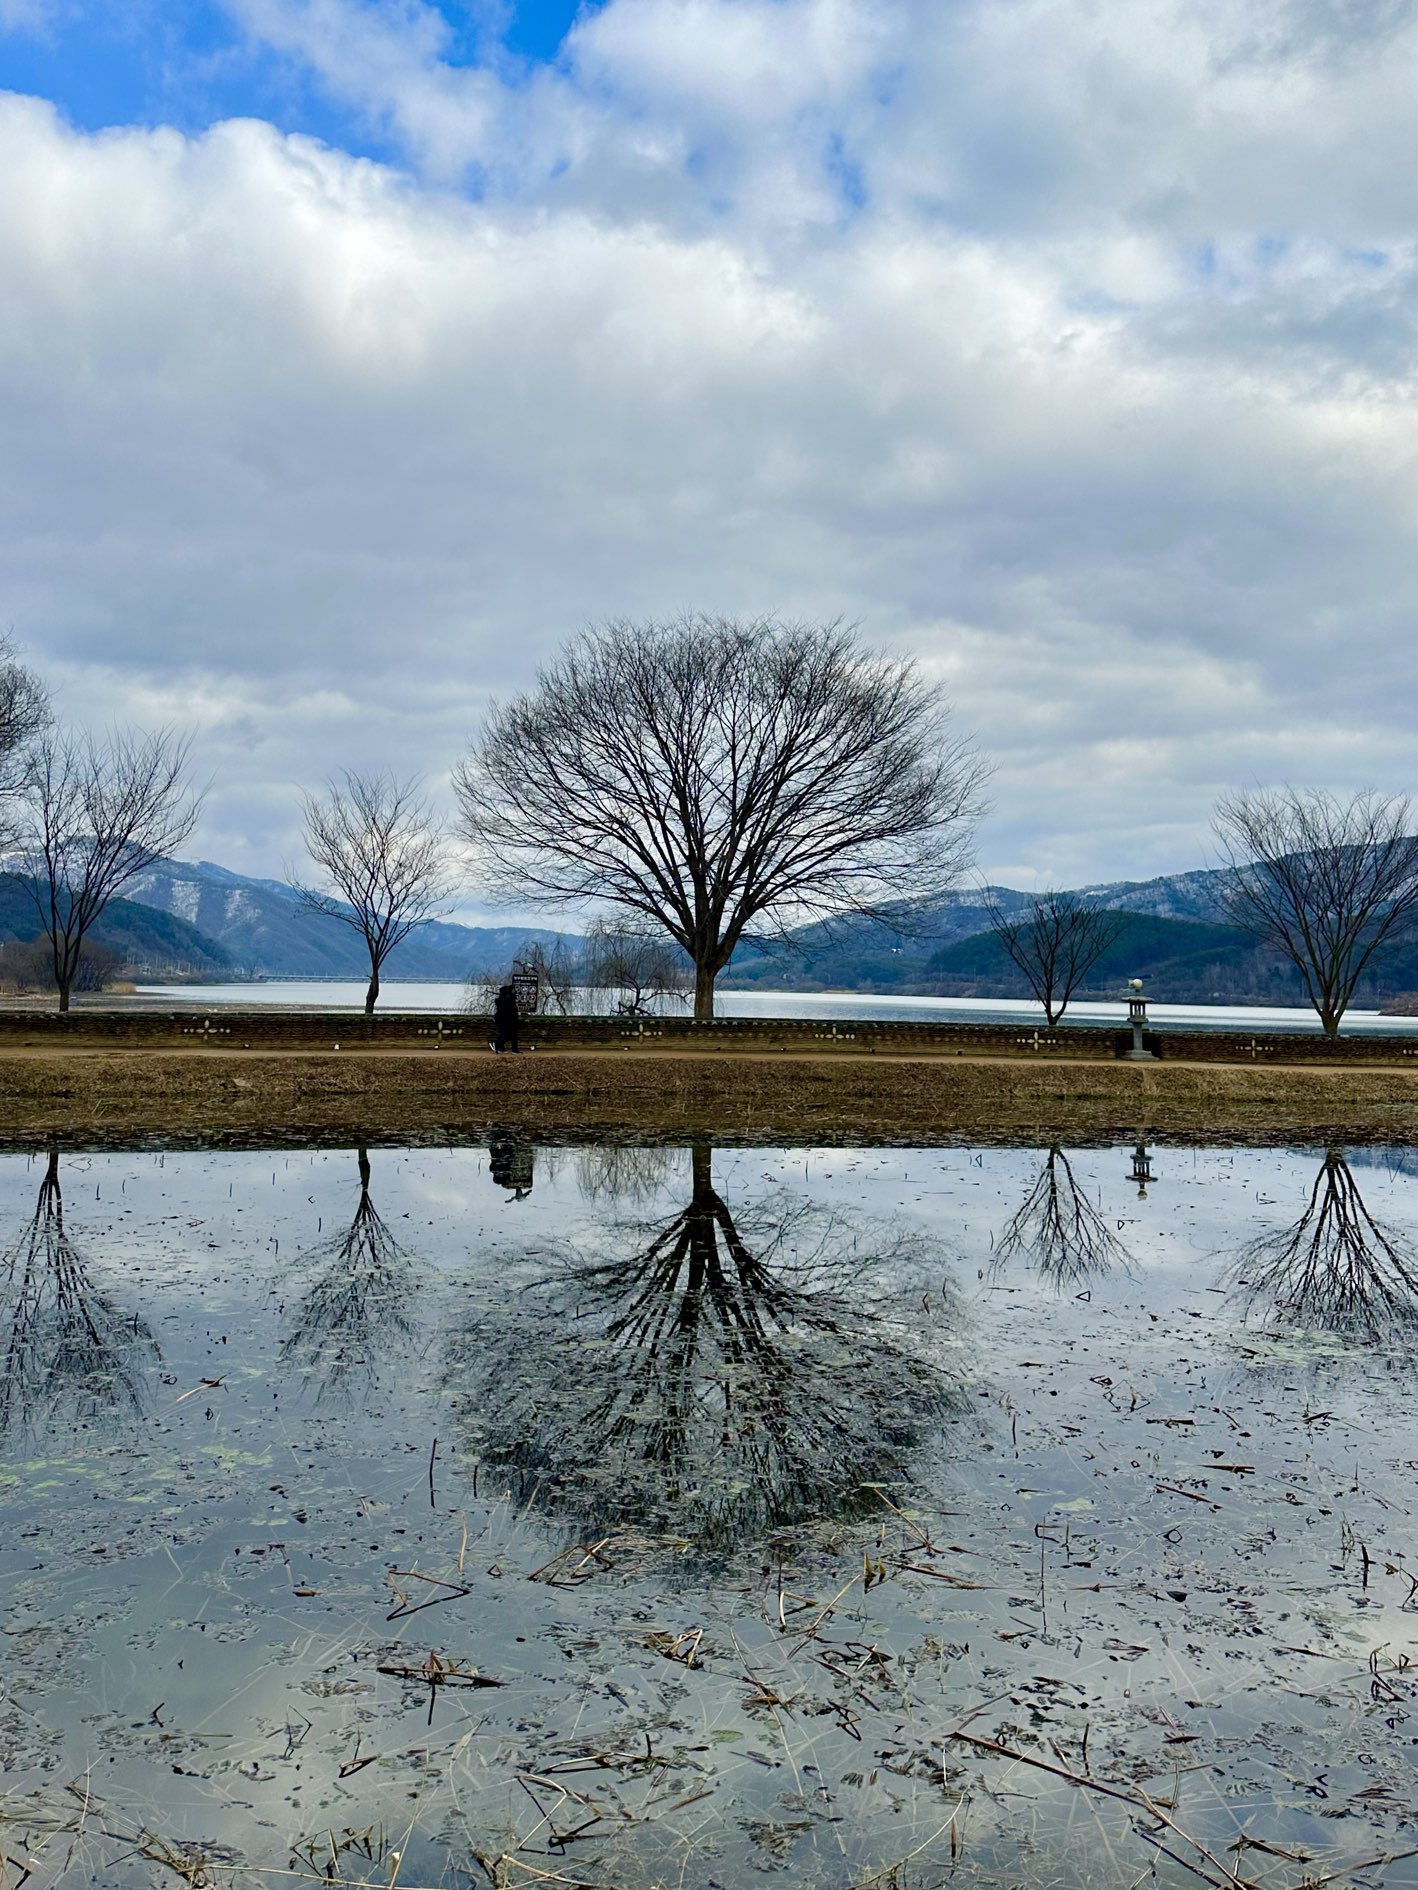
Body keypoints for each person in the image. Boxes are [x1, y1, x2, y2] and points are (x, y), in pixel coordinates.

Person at [492, 982, 520, 1053]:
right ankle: (498, 1044)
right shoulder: (508, 999)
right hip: (507, 1020)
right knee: (508, 1035)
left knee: (505, 1034)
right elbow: (511, 1011)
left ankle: (501, 1047)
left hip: (502, 1019)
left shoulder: (502, 999)